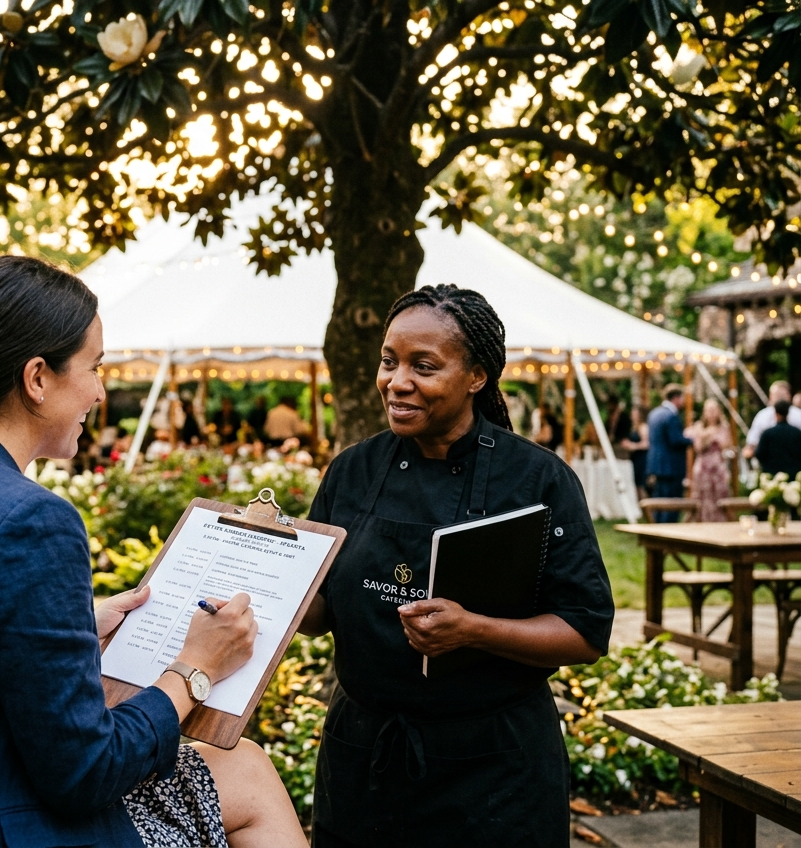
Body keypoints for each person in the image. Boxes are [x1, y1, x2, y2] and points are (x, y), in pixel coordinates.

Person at [0, 256, 305, 848]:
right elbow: (84, 773)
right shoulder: (29, 519)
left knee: (246, 767)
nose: (101, 392)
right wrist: (195, 669)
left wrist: (73, 626)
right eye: (95, 368)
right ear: (37, 379)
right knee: (249, 780)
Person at [297, 284, 612, 848]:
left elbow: (585, 632)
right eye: (389, 361)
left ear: (477, 376)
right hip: (364, 762)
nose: (397, 382)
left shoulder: (536, 481)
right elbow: (322, 612)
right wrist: (266, 573)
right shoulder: (352, 471)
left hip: (493, 773)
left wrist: (474, 630)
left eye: (424, 366)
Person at [646, 384, 693, 521]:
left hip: (656, 465)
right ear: (676, 398)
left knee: (659, 501)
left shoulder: (654, 413)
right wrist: (691, 439)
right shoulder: (671, 416)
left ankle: (657, 529)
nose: (683, 402)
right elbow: (675, 440)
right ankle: (668, 531)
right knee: (672, 503)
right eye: (682, 398)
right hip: (671, 467)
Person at [689, 399, 732, 522]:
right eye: (709, 410)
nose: (712, 413)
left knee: (719, 493)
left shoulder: (724, 427)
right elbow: (697, 447)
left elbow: (727, 444)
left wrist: (716, 437)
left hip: (718, 465)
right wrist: (707, 436)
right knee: (703, 495)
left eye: (714, 410)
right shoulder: (699, 427)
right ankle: (702, 520)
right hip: (703, 465)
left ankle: (720, 521)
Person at [744, 380, 801, 459]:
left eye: (782, 395)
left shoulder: (798, 415)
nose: (779, 398)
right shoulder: (762, 416)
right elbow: (752, 443)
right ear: (770, 396)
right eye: (777, 395)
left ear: (789, 396)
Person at [755, 399, 801, 478]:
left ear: (775, 413)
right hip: (793, 474)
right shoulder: (797, 433)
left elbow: (760, 454)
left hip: (772, 474)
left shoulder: (768, 433)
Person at [620, 406, 651, 503]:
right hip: (636, 458)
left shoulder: (643, 427)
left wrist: (631, 445)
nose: (632, 416)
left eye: (634, 414)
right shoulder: (634, 427)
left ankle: (647, 507)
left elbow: (646, 444)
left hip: (642, 458)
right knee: (637, 484)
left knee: (641, 484)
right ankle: (641, 506)